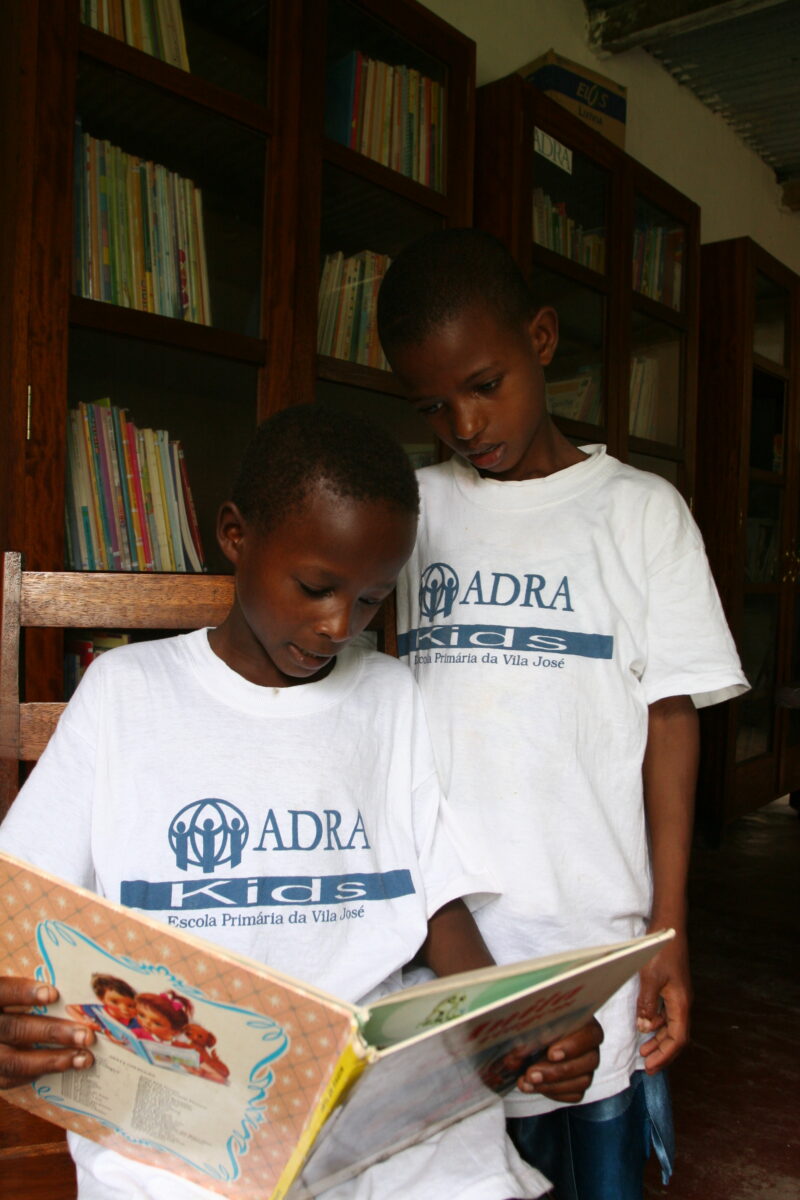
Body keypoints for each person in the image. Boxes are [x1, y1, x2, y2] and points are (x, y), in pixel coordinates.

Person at [0, 405, 601, 1200]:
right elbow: (19, 903)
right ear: (236, 535)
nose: (338, 625)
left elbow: (435, 899)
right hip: (184, 1087)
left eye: (372, 600)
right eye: (317, 588)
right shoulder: (125, 693)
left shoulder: (387, 695)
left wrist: (514, 1027)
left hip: (376, 1093)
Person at [376, 228, 749, 1200]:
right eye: (432, 405)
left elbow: (670, 723)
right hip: (439, 950)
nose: (463, 423)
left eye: (483, 384)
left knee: (592, 1171)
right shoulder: (409, 510)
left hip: (592, 944)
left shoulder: (640, 512)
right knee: (457, 1172)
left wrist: (667, 927)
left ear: (540, 340)